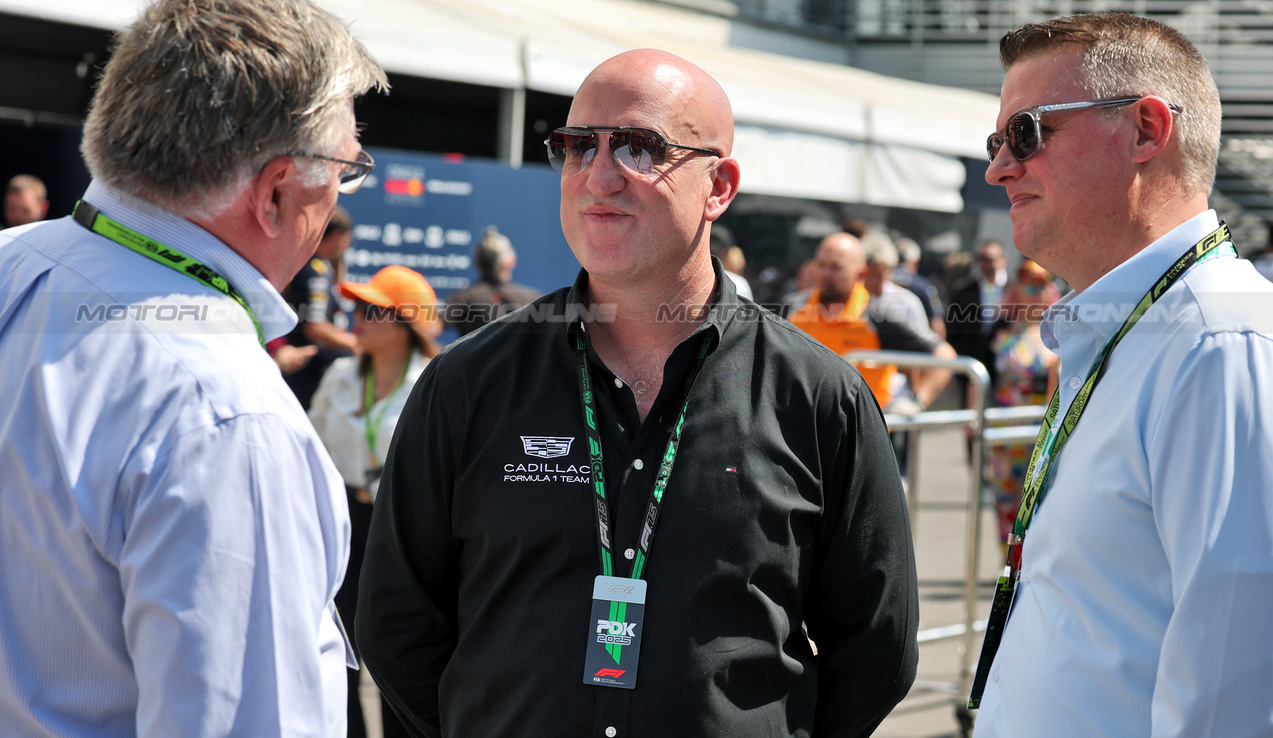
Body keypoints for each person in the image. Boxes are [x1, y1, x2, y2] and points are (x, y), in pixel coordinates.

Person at [356, 49, 918, 738]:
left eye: (638, 147)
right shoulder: (467, 384)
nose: (598, 176)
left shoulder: (818, 397)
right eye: (577, 147)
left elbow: (877, 648)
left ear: (718, 186)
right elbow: (396, 622)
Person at [0, 0, 387, 736]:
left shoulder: (12, 261)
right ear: (275, 192)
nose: (341, 197)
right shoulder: (227, 417)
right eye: (346, 171)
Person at [971, 12, 1273, 736]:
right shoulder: (1142, 327)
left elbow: (1232, 695)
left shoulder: (1220, 343)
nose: (998, 168)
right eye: (995, 142)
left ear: (1144, 131)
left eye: (1026, 133)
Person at [309, 265, 442, 738]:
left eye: (373, 310)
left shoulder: (434, 382)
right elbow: (311, 451)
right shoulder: (340, 375)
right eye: (358, 307)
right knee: (336, 648)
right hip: (343, 523)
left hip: (404, 528)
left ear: (406, 322)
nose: (358, 318)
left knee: (398, 653)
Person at [791, 231, 956, 415]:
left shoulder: (877, 317)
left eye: (836, 267)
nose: (825, 273)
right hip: (799, 426)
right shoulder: (792, 308)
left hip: (857, 429)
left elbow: (944, 354)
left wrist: (916, 401)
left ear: (861, 272)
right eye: (821, 265)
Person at [984, 259, 1059, 555]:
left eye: (1042, 287)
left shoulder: (1059, 333)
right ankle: (1007, 563)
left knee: (1042, 499)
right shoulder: (1001, 333)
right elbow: (985, 379)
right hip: (1006, 433)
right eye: (1029, 287)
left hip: (1044, 431)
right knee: (1006, 499)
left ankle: (1032, 561)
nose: (1036, 294)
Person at [279, 206, 359, 408]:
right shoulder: (316, 271)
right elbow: (315, 327)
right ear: (338, 235)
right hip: (311, 370)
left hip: (309, 371)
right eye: (347, 240)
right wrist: (357, 344)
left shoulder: (316, 266)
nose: (346, 248)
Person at [443, 225, 541, 336]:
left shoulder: (463, 297)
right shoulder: (532, 298)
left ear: (477, 262)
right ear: (512, 261)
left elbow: (431, 329)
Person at [946, 239, 1007, 377]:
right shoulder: (963, 291)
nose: (984, 264)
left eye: (989, 259)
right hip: (968, 360)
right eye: (981, 258)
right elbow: (952, 330)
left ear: (1003, 260)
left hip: (1001, 363)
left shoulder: (1013, 290)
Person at [894, 236, 947, 338]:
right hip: (915, 344)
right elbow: (936, 322)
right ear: (917, 262)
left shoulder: (880, 282)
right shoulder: (923, 286)